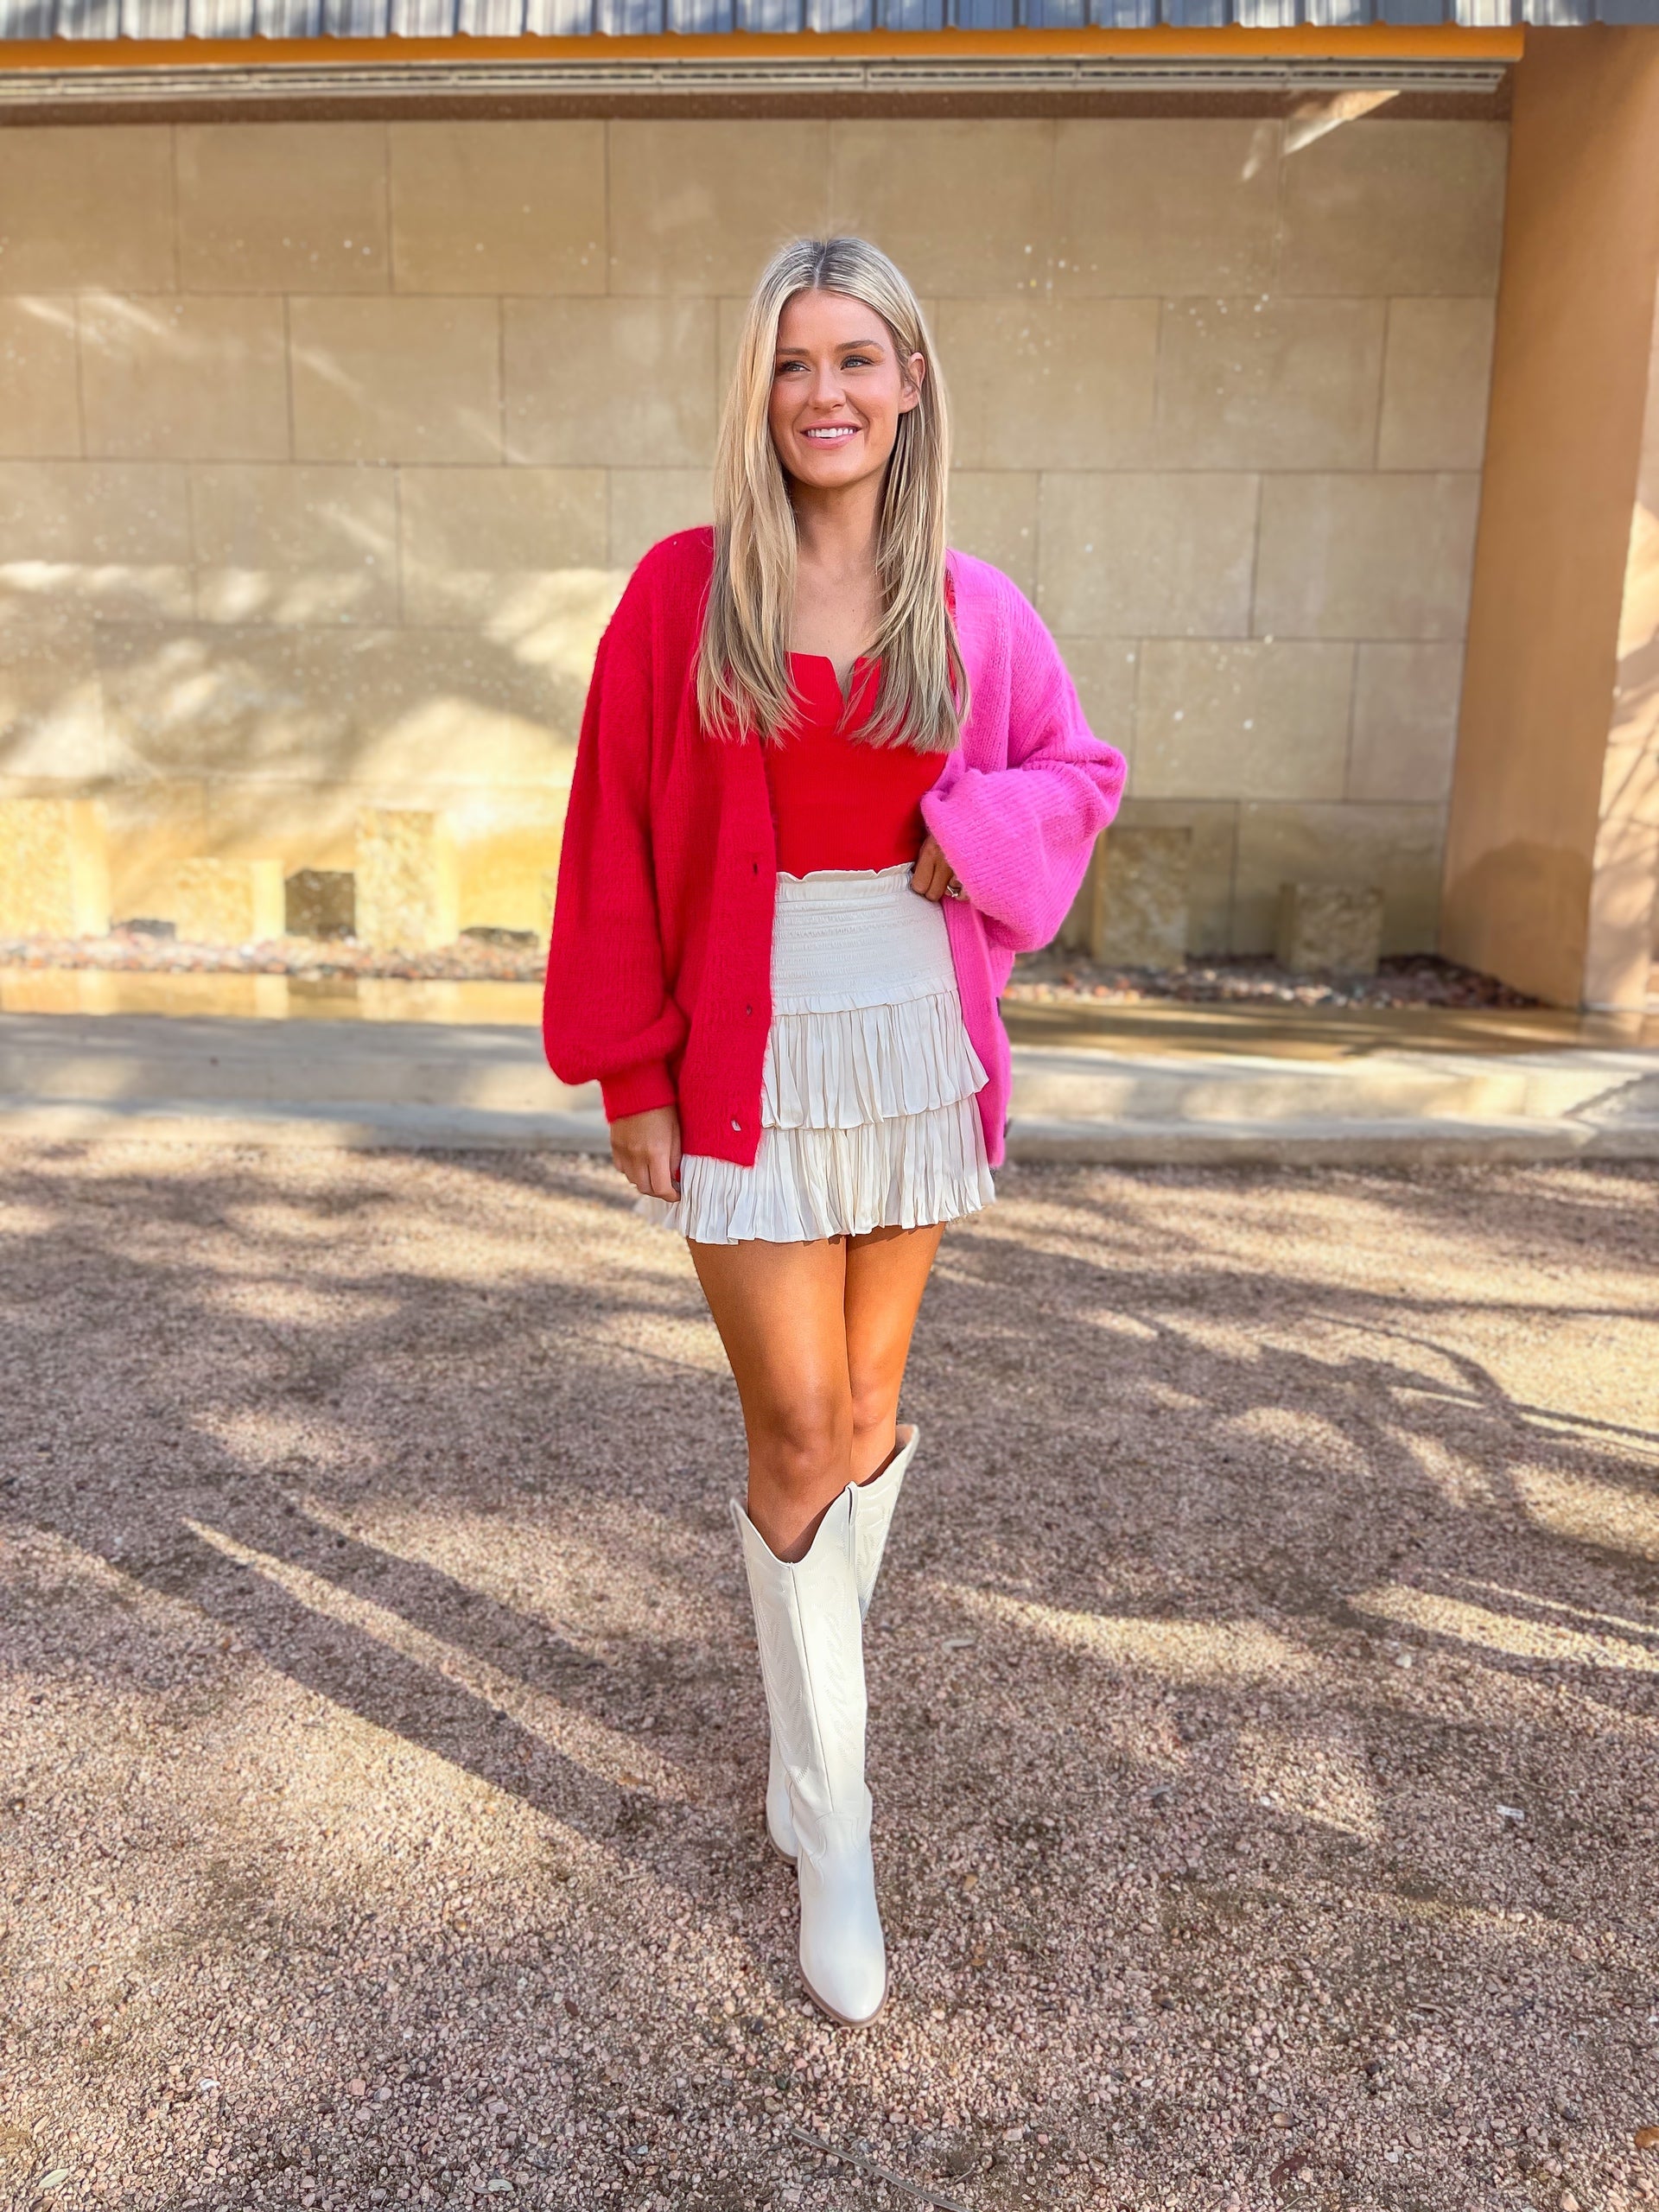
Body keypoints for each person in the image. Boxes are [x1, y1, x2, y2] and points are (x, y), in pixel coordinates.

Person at [544, 235, 1124, 2028]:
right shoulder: (679, 595)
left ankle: (810, 1751)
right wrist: (634, 1069)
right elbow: (615, 833)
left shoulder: (974, 602)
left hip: (912, 1032)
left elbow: (1075, 771)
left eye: (858, 358)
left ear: (911, 380)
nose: (826, 393)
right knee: (795, 1417)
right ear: (761, 391)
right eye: (796, 363)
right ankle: (837, 1821)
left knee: (868, 1412)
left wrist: (990, 834)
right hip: (746, 1030)